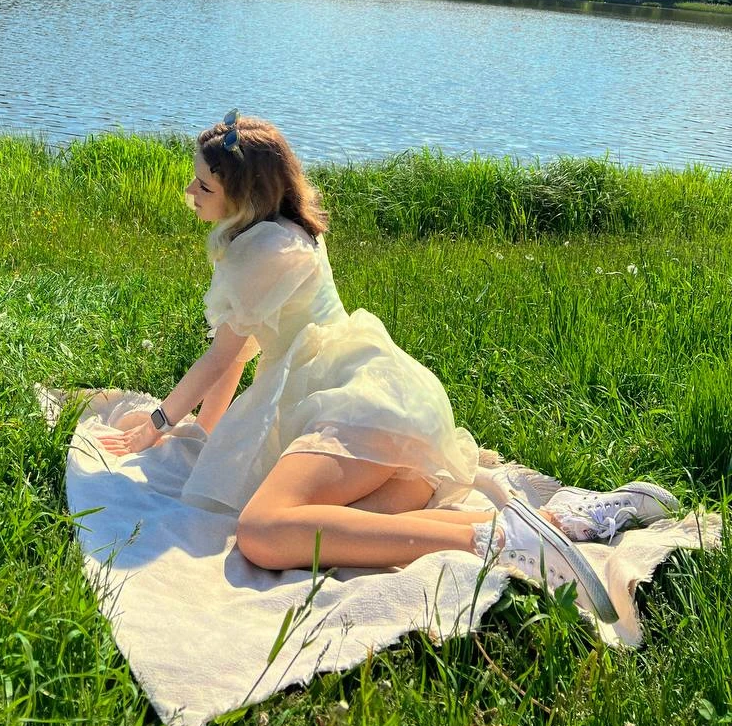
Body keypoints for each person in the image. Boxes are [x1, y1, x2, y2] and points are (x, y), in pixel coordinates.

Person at [98, 111, 678, 622]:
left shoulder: (266, 252)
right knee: (350, 522)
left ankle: (502, 542)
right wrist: (204, 435)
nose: (190, 192)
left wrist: (157, 424)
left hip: (356, 405)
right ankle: (554, 524)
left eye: (203, 184)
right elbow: (242, 348)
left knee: (262, 532)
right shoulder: (275, 232)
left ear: (244, 197)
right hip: (376, 412)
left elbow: (223, 354)